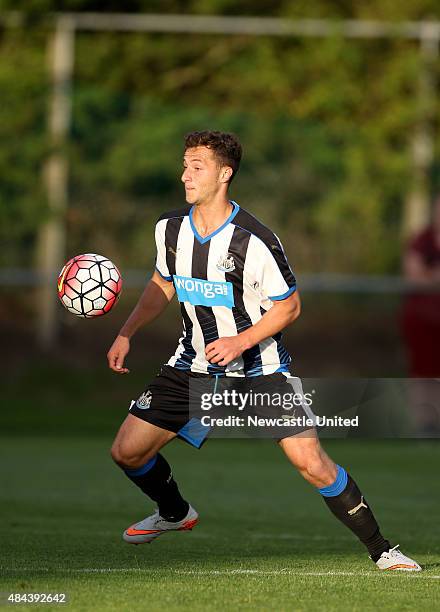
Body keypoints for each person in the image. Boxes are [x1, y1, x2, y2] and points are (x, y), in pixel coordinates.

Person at [108, 130, 420, 571]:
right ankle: (176, 513)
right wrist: (127, 332)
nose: (185, 175)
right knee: (127, 452)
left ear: (224, 173)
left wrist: (240, 340)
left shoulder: (253, 240)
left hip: (259, 371)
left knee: (312, 463)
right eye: (184, 165)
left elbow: (289, 306)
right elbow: (163, 283)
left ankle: (383, 550)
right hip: (190, 366)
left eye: (196, 167)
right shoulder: (169, 229)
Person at [401, 196, 440, 434]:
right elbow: (414, 275)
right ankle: (425, 423)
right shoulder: (422, 241)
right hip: (423, 318)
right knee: (423, 372)